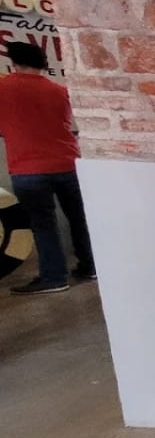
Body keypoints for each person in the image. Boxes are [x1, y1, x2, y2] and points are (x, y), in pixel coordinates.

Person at [0, 42, 94, 294]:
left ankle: (54, 277)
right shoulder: (59, 90)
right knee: (79, 218)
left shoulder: (3, 89)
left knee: (43, 224)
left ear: (13, 62)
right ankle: (91, 266)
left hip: (28, 167)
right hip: (68, 162)